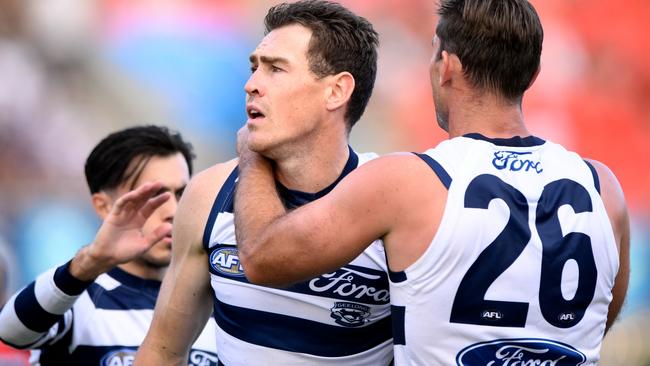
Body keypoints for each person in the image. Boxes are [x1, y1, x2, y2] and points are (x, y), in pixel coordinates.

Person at [233, 0, 631, 365]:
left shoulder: (408, 182)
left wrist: (252, 155)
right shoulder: (604, 188)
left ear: (448, 66)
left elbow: (263, 257)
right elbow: (601, 311)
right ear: (533, 74)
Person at [135, 1, 393, 365]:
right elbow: (162, 350)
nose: (251, 84)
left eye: (275, 69)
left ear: (336, 91)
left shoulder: (390, 203)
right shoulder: (209, 194)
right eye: (255, 67)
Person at [0, 125, 219, 365]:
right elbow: (9, 331)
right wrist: (90, 262)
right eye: (154, 195)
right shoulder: (73, 298)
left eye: (181, 194)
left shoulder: (218, 302)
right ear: (103, 206)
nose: (173, 211)